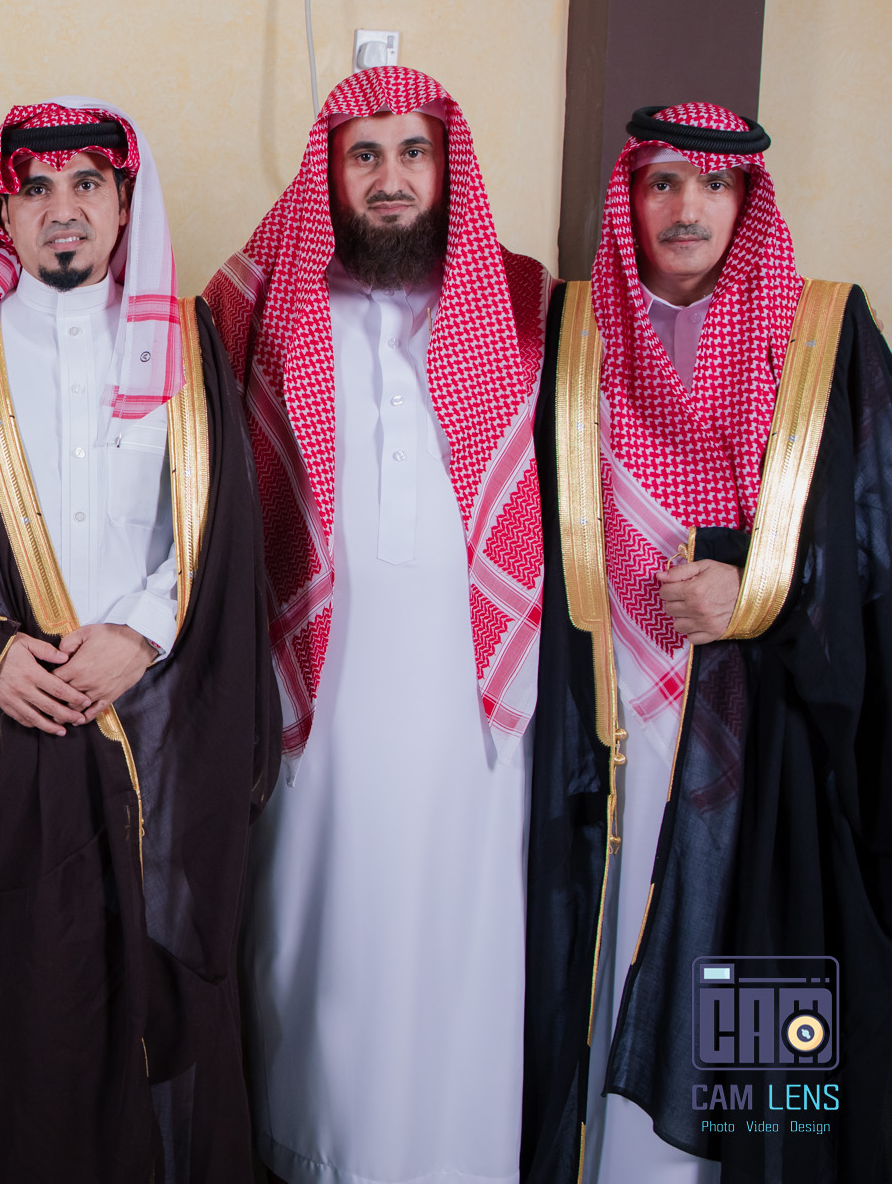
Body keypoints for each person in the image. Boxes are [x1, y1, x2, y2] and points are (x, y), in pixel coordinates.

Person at [0, 100, 277, 1182]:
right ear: (1, 212)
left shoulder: (184, 338)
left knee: (155, 985)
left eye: (87, 184)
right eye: (36, 188)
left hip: (152, 718)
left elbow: (219, 531)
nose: (63, 209)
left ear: (122, 203)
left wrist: (140, 637)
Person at [521, 103, 892, 1184]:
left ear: (745, 201)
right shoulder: (570, 335)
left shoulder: (823, 335)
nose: (688, 208)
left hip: (761, 741)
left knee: (753, 971)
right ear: (629, 198)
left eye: (714, 185)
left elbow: (874, 537)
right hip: (599, 727)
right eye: (663, 183)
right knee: (593, 964)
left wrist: (764, 591)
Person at [205, 66, 550, 1184]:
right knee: (315, 935)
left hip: (473, 704)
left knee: (459, 939)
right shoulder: (259, 308)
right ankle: (310, 1155)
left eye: (412, 154)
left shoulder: (527, 307)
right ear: (329, 175)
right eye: (364, 156)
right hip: (316, 696)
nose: (389, 180)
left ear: (448, 171)